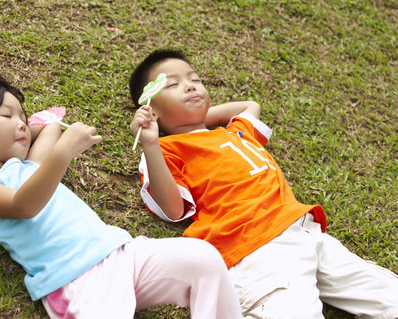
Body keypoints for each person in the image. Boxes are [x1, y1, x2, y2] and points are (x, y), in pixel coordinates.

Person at [0, 65, 242, 319]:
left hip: (122, 252)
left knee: (202, 258)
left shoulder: (31, 165)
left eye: (22, 117)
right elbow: (23, 205)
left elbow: (52, 123)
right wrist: (64, 153)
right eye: (6, 116)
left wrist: (33, 126)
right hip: (77, 281)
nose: (21, 125)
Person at [129, 49, 398, 319]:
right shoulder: (167, 149)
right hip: (255, 246)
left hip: (307, 233)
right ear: (150, 109)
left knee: (390, 296)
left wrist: (198, 119)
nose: (190, 85)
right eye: (173, 85)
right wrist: (152, 140)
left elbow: (249, 106)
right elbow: (174, 209)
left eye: (195, 79)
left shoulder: (236, 132)